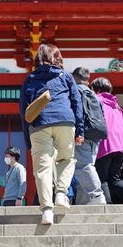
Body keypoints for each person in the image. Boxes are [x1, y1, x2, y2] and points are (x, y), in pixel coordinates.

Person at [19, 43, 83, 225]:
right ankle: (61, 193)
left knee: (43, 169)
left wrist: (27, 140)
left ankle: (47, 210)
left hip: (39, 125)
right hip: (65, 121)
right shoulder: (66, 76)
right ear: (58, 58)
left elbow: (24, 111)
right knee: (66, 159)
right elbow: (76, 103)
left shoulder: (30, 78)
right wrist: (80, 129)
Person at [71, 67, 107, 205]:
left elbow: (76, 112)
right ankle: (89, 200)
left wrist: (78, 132)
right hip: (95, 136)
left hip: (82, 134)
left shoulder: (76, 91)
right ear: (88, 80)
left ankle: (97, 195)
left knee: (82, 166)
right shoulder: (94, 95)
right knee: (89, 166)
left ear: (74, 78)